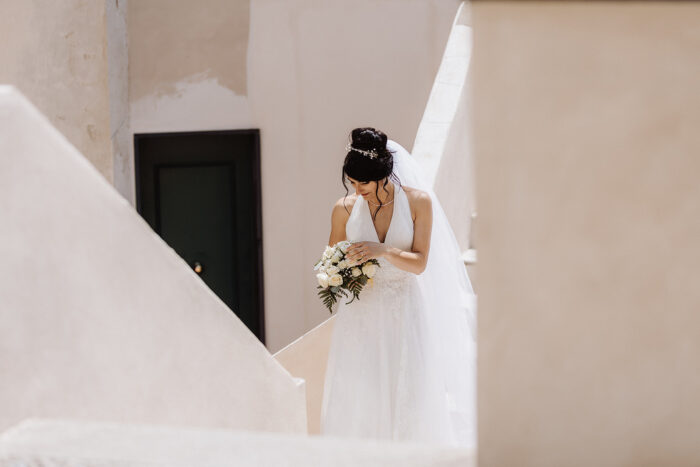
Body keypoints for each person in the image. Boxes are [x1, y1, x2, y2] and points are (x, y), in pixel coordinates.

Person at [320, 127, 477, 448]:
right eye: (352, 182)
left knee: (410, 388)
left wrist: (383, 251)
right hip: (361, 314)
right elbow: (331, 260)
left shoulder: (419, 202)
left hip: (405, 308)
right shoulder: (344, 208)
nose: (356, 189)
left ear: (383, 175)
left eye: (363, 182)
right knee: (363, 391)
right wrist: (338, 271)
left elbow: (419, 263)